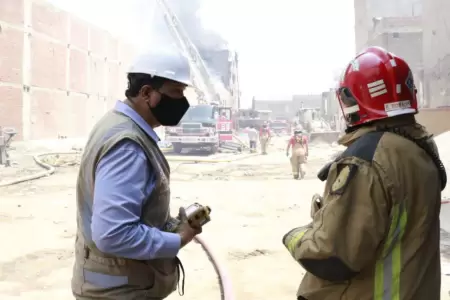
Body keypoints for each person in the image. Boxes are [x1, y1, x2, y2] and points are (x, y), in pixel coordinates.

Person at [281, 46, 446, 299]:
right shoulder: (419, 148)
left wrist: (295, 237)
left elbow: (332, 257)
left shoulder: (365, 162)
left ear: (353, 101)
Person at [71, 50, 203, 299]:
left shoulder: (116, 124)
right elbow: (114, 234)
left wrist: (169, 226)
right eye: (176, 92)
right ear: (146, 93)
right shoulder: (128, 146)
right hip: (119, 291)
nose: (182, 101)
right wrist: (178, 239)